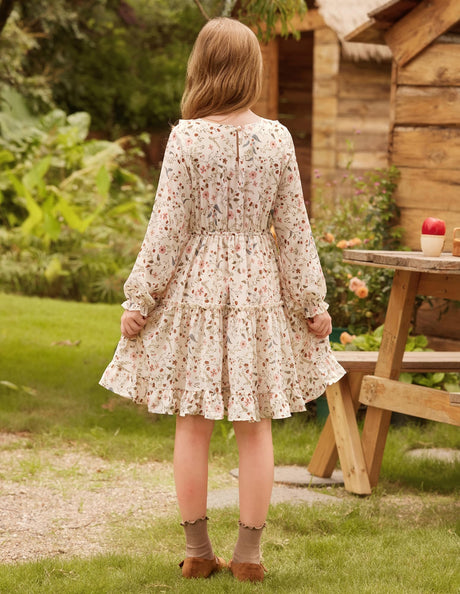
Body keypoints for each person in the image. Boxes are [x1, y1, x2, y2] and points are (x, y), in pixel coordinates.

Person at [100, 16, 345, 583]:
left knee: (193, 424)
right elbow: (295, 230)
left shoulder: (186, 138)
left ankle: (197, 553)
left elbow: (167, 228)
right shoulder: (278, 138)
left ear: (202, 67)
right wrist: (313, 304)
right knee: (255, 426)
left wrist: (140, 299)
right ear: (251, 69)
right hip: (260, 290)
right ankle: (249, 558)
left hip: (199, 290)